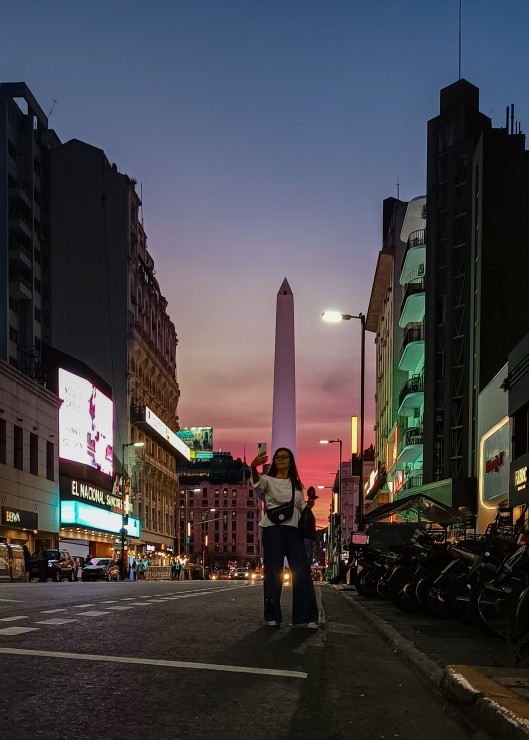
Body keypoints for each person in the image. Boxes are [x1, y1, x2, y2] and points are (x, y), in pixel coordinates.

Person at [250, 447, 319, 628]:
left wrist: (310, 504)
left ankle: (305, 617)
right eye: (277, 457)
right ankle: (272, 616)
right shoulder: (267, 480)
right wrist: (253, 467)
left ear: (290, 461)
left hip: (293, 529)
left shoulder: (297, 486)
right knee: (273, 573)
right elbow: (257, 483)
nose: (280, 459)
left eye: (284, 457)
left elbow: (302, 508)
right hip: (272, 529)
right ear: (274, 461)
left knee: (302, 571)